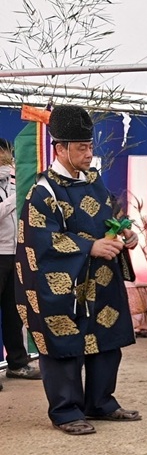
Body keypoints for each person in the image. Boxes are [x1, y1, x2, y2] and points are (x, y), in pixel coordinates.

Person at [15, 105, 141, 435]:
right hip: (64, 285)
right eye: (82, 148)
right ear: (60, 148)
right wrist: (90, 247)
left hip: (100, 280)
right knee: (64, 347)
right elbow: (41, 241)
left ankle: (100, 402)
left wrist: (126, 232)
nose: (89, 154)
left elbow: (112, 214)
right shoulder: (43, 192)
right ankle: (66, 411)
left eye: (90, 146)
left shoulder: (94, 182)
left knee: (106, 341)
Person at [1, 138, 42, 390]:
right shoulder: (15, 189)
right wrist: (15, 198)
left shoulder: (15, 181)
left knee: (14, 311)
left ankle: (17, 363)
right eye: (5, 154)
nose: (8, 158)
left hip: (15, 253)